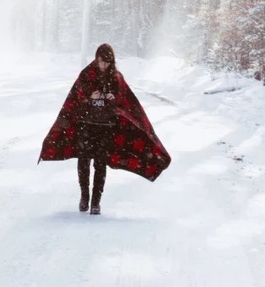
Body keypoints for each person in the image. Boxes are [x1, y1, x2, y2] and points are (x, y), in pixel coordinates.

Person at [38, 43, 171, 215]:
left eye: (107, 62)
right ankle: (84, 196)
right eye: (101, 61)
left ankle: (96, 202)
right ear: (96, 59)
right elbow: (74, 100)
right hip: (85, 126)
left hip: (106, 128)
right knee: (84, 162)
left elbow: (126, 104)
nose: (103, 65)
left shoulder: (116, 78)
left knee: (100, 164)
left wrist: (112, 99)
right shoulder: (86, 75)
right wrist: (88, 97)